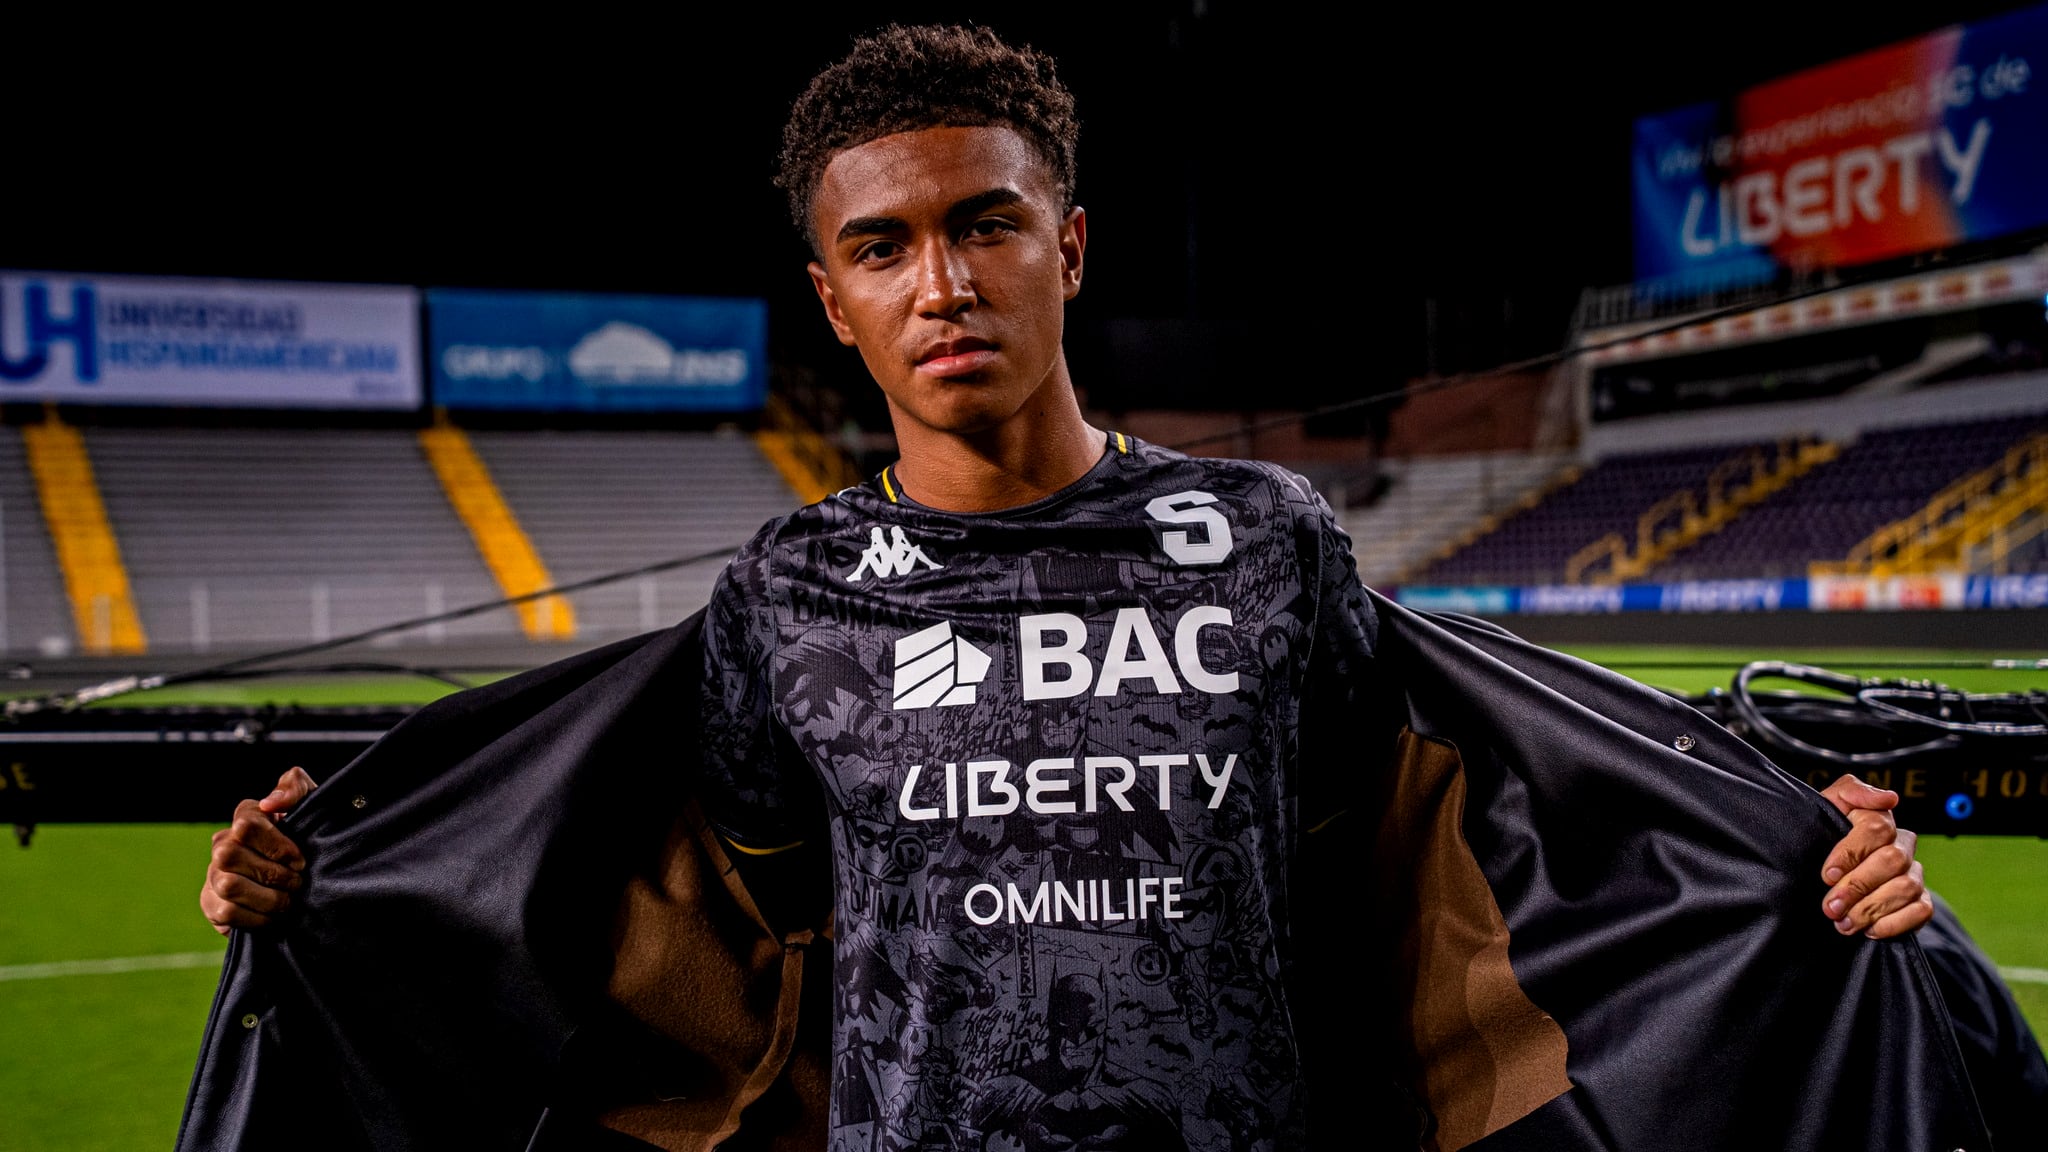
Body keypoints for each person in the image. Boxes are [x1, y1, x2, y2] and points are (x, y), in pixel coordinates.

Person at [202, 24, 1942, 1151]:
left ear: (1072, 244)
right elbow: (736, 915)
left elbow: (1424, 842)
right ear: (832, 299)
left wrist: (1784, 846)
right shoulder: (787, 588)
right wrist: (336, 873)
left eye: (986, 223)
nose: (941, 282)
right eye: (883, 248)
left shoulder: (1271, 539)